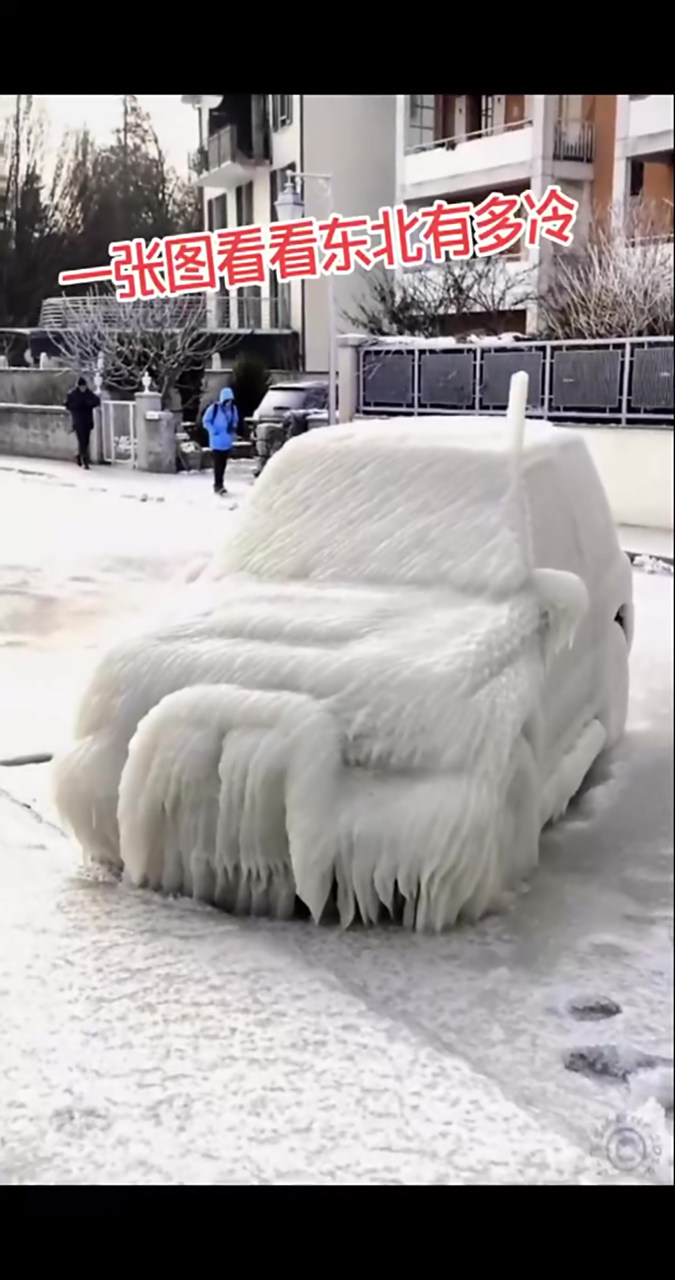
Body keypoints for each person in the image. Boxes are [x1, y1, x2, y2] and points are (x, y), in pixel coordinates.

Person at [202, 386, 239, 495]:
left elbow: (235, 421)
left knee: (223, 465)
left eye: (231, 401)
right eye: (227, 401)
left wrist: (233, 428)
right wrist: (213, 431)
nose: (229, 403)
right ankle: (218, 485)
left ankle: (220, 484)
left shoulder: (233, 409)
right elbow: (206, 421)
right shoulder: (214, 409)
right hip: (216, 442)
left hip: (227, 441)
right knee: (218, 465)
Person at [65, 377, 101, 470]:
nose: (83, 388)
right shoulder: (73, 394)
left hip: (87, 421)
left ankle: (79, 456)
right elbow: (67, 405)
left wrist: (88, 404)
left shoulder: (89, 394)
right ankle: (85, 460)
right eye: (81, 386)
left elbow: (96, 401)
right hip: (78, 421)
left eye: (84, 386)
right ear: (78, 386)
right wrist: (78, 406)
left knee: (86, 441)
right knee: (82, 440)